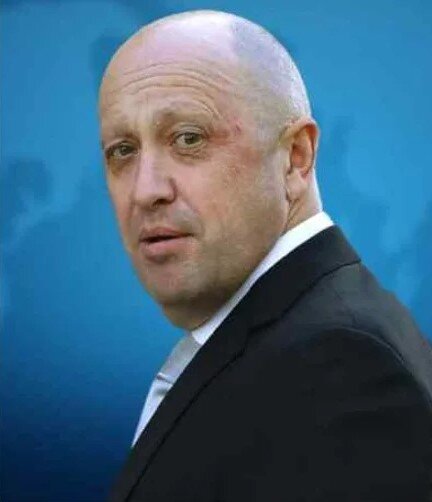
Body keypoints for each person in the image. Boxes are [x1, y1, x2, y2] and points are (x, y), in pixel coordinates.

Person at [98, 10, 432, 502]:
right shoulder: (292, 340)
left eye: (188, 138)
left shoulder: (341, 367)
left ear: (296, 157)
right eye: (122, 151)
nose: (145, 191)